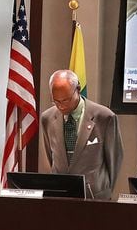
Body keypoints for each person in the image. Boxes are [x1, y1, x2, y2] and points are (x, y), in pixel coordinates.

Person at [40, 70, 123, 200]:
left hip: (94, 198)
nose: (61, 106)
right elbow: (51, 157)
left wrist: (104, 190)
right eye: (56, 101)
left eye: (66, 100)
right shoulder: (47, 118)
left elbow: (114, 160)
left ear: (78, 89)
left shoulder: (105, 117)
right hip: (60, 197)